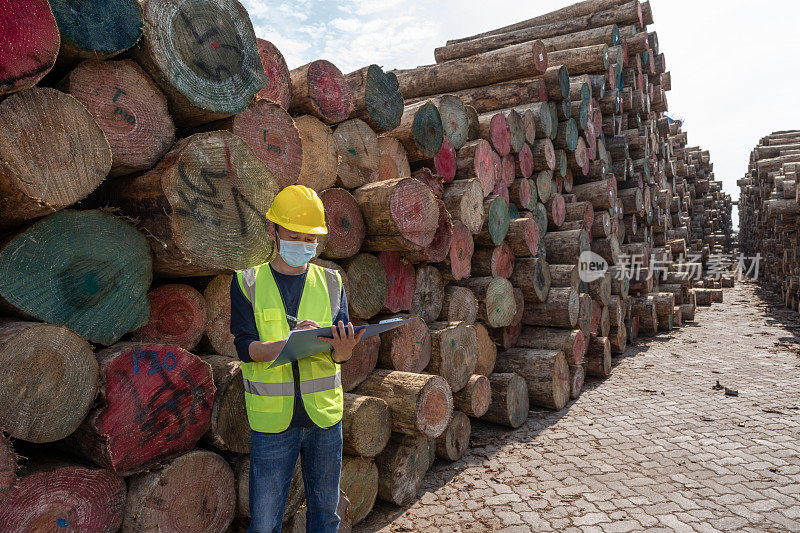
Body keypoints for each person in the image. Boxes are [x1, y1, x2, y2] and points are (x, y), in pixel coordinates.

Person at [230, 185, 364, 532]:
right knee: (264, 522)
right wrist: (286, 344)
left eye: (311, 239)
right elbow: (244, 347)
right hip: (273, 423)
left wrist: (344, 352)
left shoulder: (332, 281)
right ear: (272, 231)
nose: (304, 246)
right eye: (295, 236)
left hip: (324, 419)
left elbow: (339, 350)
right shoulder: (248, 282)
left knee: (326, 515)